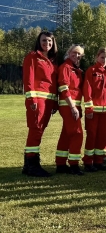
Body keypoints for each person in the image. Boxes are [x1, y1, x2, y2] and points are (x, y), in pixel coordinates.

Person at [22, 31, 58, 177]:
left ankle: (27, 165)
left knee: (39, 131)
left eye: (49, 41)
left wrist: (54, 102)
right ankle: (33, 165)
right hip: (38, 101)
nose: (46, 43)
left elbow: (52, 84)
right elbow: (28, 79)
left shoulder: (51, 61)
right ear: (39, 41)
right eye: (44, 40)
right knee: (35, 130)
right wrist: (32, 99)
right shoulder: (32, 57)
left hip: (48, 102)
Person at [83, 47, 106, 172]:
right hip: (93, 112)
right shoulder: (91, 71)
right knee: (92, 136)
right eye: (102, 57)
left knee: (103, 136)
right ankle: (88, 162)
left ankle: (98, 161)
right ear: (97, 57)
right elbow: (87, 90)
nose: (104, 60)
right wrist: (89, 108)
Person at [55, 44, 85, 176]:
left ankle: (61, 164)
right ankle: (74, 165)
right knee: (77, 134)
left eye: (79, 54)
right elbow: (64, 87)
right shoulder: (65, 67)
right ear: (69, 52)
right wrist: (73, 106)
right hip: (68, 105)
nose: (76, 55)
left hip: (73, 105)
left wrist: (77, 107)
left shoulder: (75, 69)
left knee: (66, 134)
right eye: (74, 52)